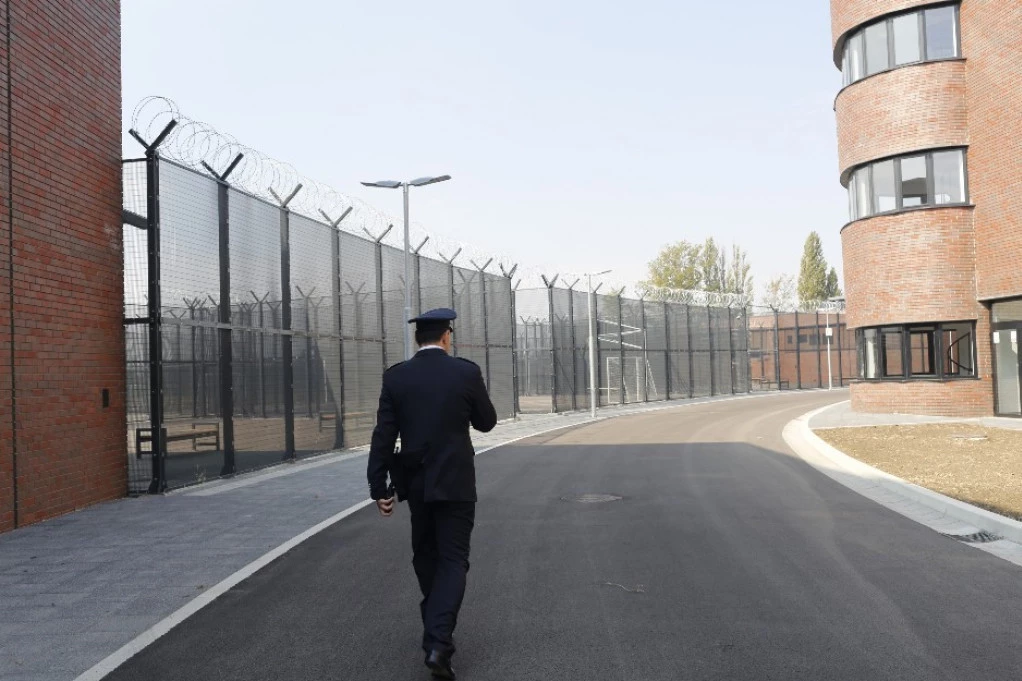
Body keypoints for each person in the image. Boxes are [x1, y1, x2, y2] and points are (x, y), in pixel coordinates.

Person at [367, 307, 497, 680]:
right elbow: (486, 423)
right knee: (454, 560)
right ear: (446, 337)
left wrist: (378, 486)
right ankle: (439, 643)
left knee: (425, 557)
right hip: (456, 483)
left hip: (417, 485)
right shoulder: (466, 373)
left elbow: (384, 435)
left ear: (416, 339)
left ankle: (436, 635)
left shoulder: (396, 377)